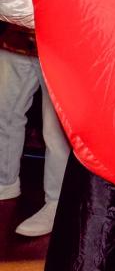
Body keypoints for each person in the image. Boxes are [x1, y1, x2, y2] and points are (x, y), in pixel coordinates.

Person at [0, 21, 70, 237]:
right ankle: (5, 182)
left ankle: (58, 202)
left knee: (56, 129)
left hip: (60, 36)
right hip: (17, 32)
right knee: (4, 111)